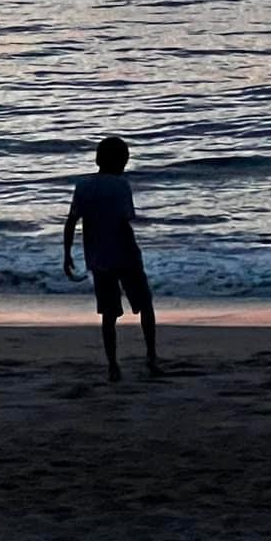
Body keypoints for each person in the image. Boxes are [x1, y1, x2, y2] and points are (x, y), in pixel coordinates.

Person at [63, 135, 159, 381]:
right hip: (125, 253)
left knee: (108, 314)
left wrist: (67, 254)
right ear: (122, 162)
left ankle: (113, 364)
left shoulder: (83, 186)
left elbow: (71, 222)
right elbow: (125, 219)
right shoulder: (121, 186)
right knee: (145, 305)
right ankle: (151, 355)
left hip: (98, 257)